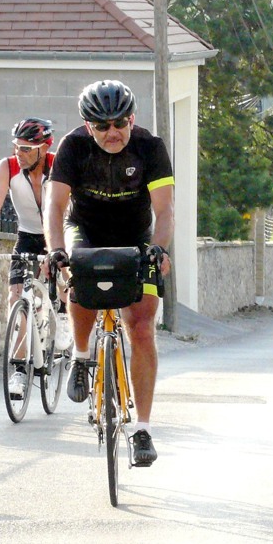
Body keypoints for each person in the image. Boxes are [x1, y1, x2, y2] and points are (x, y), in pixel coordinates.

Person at [44, 80, 174, 467]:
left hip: (135, 236)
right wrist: (55, 250)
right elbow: (55, 207)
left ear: (132, 119)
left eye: (120, 123)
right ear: (89, 126)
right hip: (85, 230)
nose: (112, 132)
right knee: (78, 274)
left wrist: (160, 249)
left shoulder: (150, 147)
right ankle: (82, 354)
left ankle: (143, 430)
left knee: (142, 326)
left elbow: (164, 210)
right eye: (102, 126)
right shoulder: (72, 147)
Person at [0, 117, 68, 396]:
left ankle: (64, 314)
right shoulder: (7, 167)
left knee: (67, 279)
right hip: (27, 236)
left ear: (44, 148)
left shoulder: (59, 165)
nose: (20, 153)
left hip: (59, 234)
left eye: (27, 148)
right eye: (17, 146)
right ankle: (18, 370)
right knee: (17, 299)